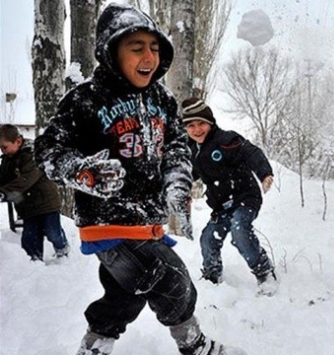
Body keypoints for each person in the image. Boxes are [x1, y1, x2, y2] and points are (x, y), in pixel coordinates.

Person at [34, 4, 245, 355]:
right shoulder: (85, 100)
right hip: (108, 222)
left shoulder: (161, 99)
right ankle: (194, 345)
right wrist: (83, 172)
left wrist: (177, 179)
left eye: (155, 48)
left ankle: (95, 347)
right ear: (110, 50)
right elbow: (47, 150)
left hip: (147, 221)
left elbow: (177, 145)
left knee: (125, 293)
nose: (149, 56)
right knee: (172, 280)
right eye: (136, 48)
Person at [180, 97, 278, 296]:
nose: (197, 129)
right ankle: (212, 275)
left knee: (239, 230)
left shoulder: (226, 140)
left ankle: (264, 272)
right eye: (191, 126)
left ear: (210, 123)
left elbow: (251, 153)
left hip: (245, 197)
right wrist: (180, 191)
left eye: (201, 124)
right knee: (208, 238)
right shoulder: (193, 152)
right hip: (222, 206)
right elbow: (186, 175)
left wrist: (264, 174)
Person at [0, 124, 69, 261]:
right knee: (30, 237)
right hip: (27, 206)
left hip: (46, 203)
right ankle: (34, 262)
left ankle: (62, 249)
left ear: (18, 141)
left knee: (52, 232)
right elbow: (3, 178)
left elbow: (26, 179)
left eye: (4, 147)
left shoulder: (33, 155)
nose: (2, 151)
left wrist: (3, 193)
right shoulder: (8, 159)